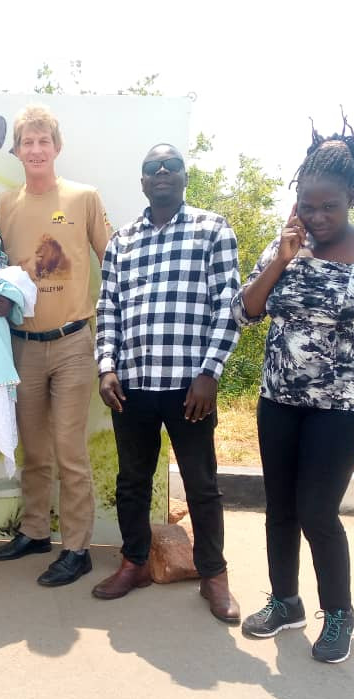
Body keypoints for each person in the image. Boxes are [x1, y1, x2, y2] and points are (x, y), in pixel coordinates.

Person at [231, 118, 354, 663]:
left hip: (343, 407)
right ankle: (285, 601)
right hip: (279, 401)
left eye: (328, 207)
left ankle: (338, 615)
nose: (316, 217)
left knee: (317, 509)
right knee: (280, 508)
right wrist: (283, 258)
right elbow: (247, 311)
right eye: (307, 206)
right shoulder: (285, 246)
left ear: (353, 196)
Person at [93, 144, 243, 623]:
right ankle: (135, 563)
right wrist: (106, 366)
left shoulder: (211, 229)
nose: (161, 174)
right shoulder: (122, 241)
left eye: (170, 167)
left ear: (183, 177)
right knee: (132, 482)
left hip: (189, 389)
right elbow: (108, 309)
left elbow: (229, 304)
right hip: (132, 385)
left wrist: (209, 373)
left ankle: (213, 575)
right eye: (151, 169)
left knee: (202, 485)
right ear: (141, 182)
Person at [0, 104, 112, 587]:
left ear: (56, 148)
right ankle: (36, 532)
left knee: (68, 451)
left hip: (73, 343)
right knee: (34, 450)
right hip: (21, 345)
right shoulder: (4, 205)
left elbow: (113, 262)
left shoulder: (83, 198)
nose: (36, 150)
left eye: (44, 141)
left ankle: (76, 548)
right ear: (17, 150)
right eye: (27, 142)